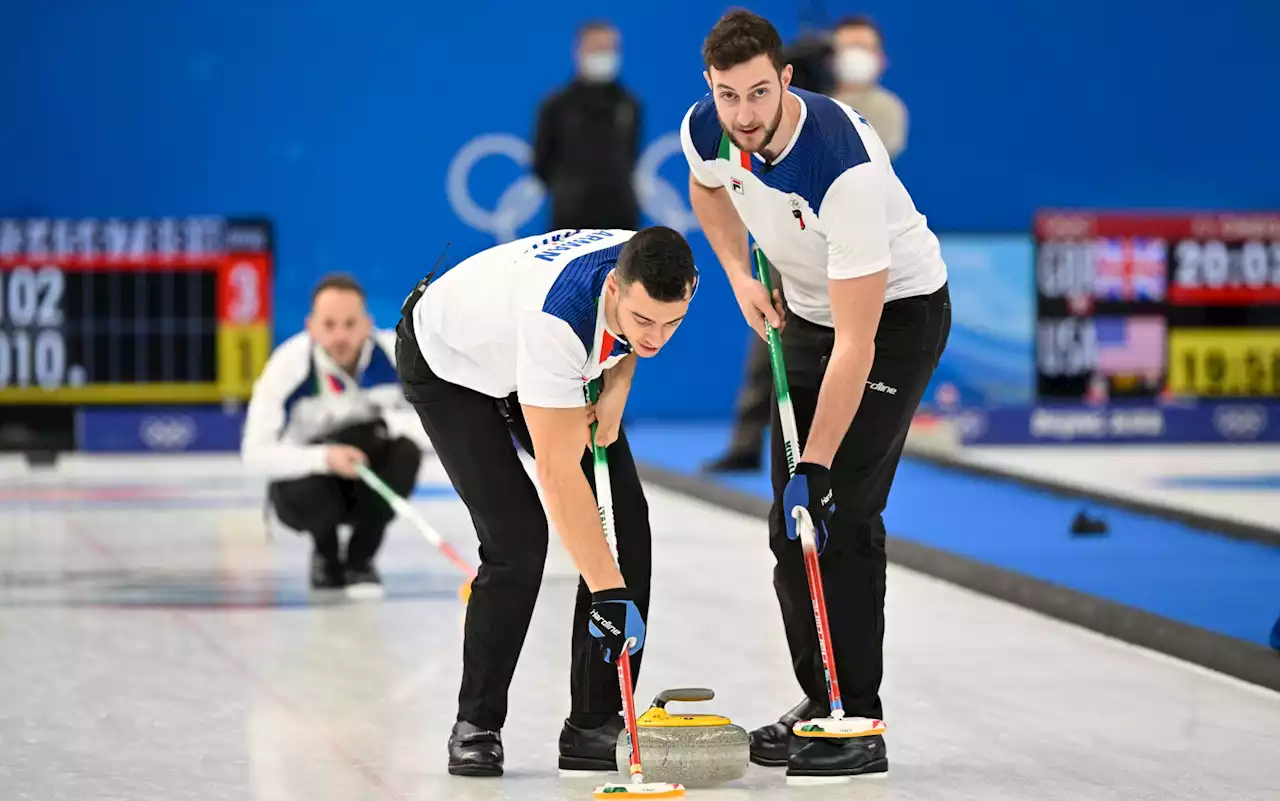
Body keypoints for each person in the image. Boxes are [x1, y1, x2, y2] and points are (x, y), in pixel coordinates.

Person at [679, 9, 951, 780]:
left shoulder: (841, 163)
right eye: (729, 95)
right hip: (802, 310)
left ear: (787, 80)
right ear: (711, 88)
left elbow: (858, 344)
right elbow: (708, 195)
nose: (745, 115)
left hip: (892, 318)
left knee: (840, 510)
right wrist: (738, 275)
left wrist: (819, 463)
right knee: (787, 524)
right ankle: (821, 696)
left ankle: (858, 720)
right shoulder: (709, 128)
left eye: (759, 93)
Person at [394, 227, 699, 777]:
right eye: (643, 322)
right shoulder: (558, 320)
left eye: (672, 323)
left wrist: (618, 387)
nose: (656, 338)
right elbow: (558, 476)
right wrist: (608, 593)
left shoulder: (644, 262)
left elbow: (631, 341)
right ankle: (476, 723)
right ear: (614, 288)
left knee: (625, 523)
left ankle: (593, 723)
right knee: (517, 540)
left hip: (528, 356)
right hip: (450, 363)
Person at [242, 274, 428, 598]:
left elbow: (432, 427)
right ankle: (325, 555)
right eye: (329, 324)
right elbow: (255, 454)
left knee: (405, 453)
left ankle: (361, 559)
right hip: (309, 485)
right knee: (309, 486)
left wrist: (382, 424)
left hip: (368, 476)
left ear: (367, 324)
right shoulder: (288, 366)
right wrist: (325, 458)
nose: (340, 335)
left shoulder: (397, 357)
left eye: (350, 323)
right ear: (311, 326)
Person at [532, 20, 643, 231]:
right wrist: (569, 190)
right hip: (570, 219)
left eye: (610, 49)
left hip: (620, 217)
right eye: (597, 48)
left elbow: (631, 157)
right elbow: (541, 163)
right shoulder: (556, 105)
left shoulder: (630, 105)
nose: (604, 55)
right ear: (580, 51)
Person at [831, 15, 908, 160]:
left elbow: (865, 158)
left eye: (863, 48)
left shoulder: (888, 107)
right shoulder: (805, 97)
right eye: (847, 48)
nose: (855, 55)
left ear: (881, 60)